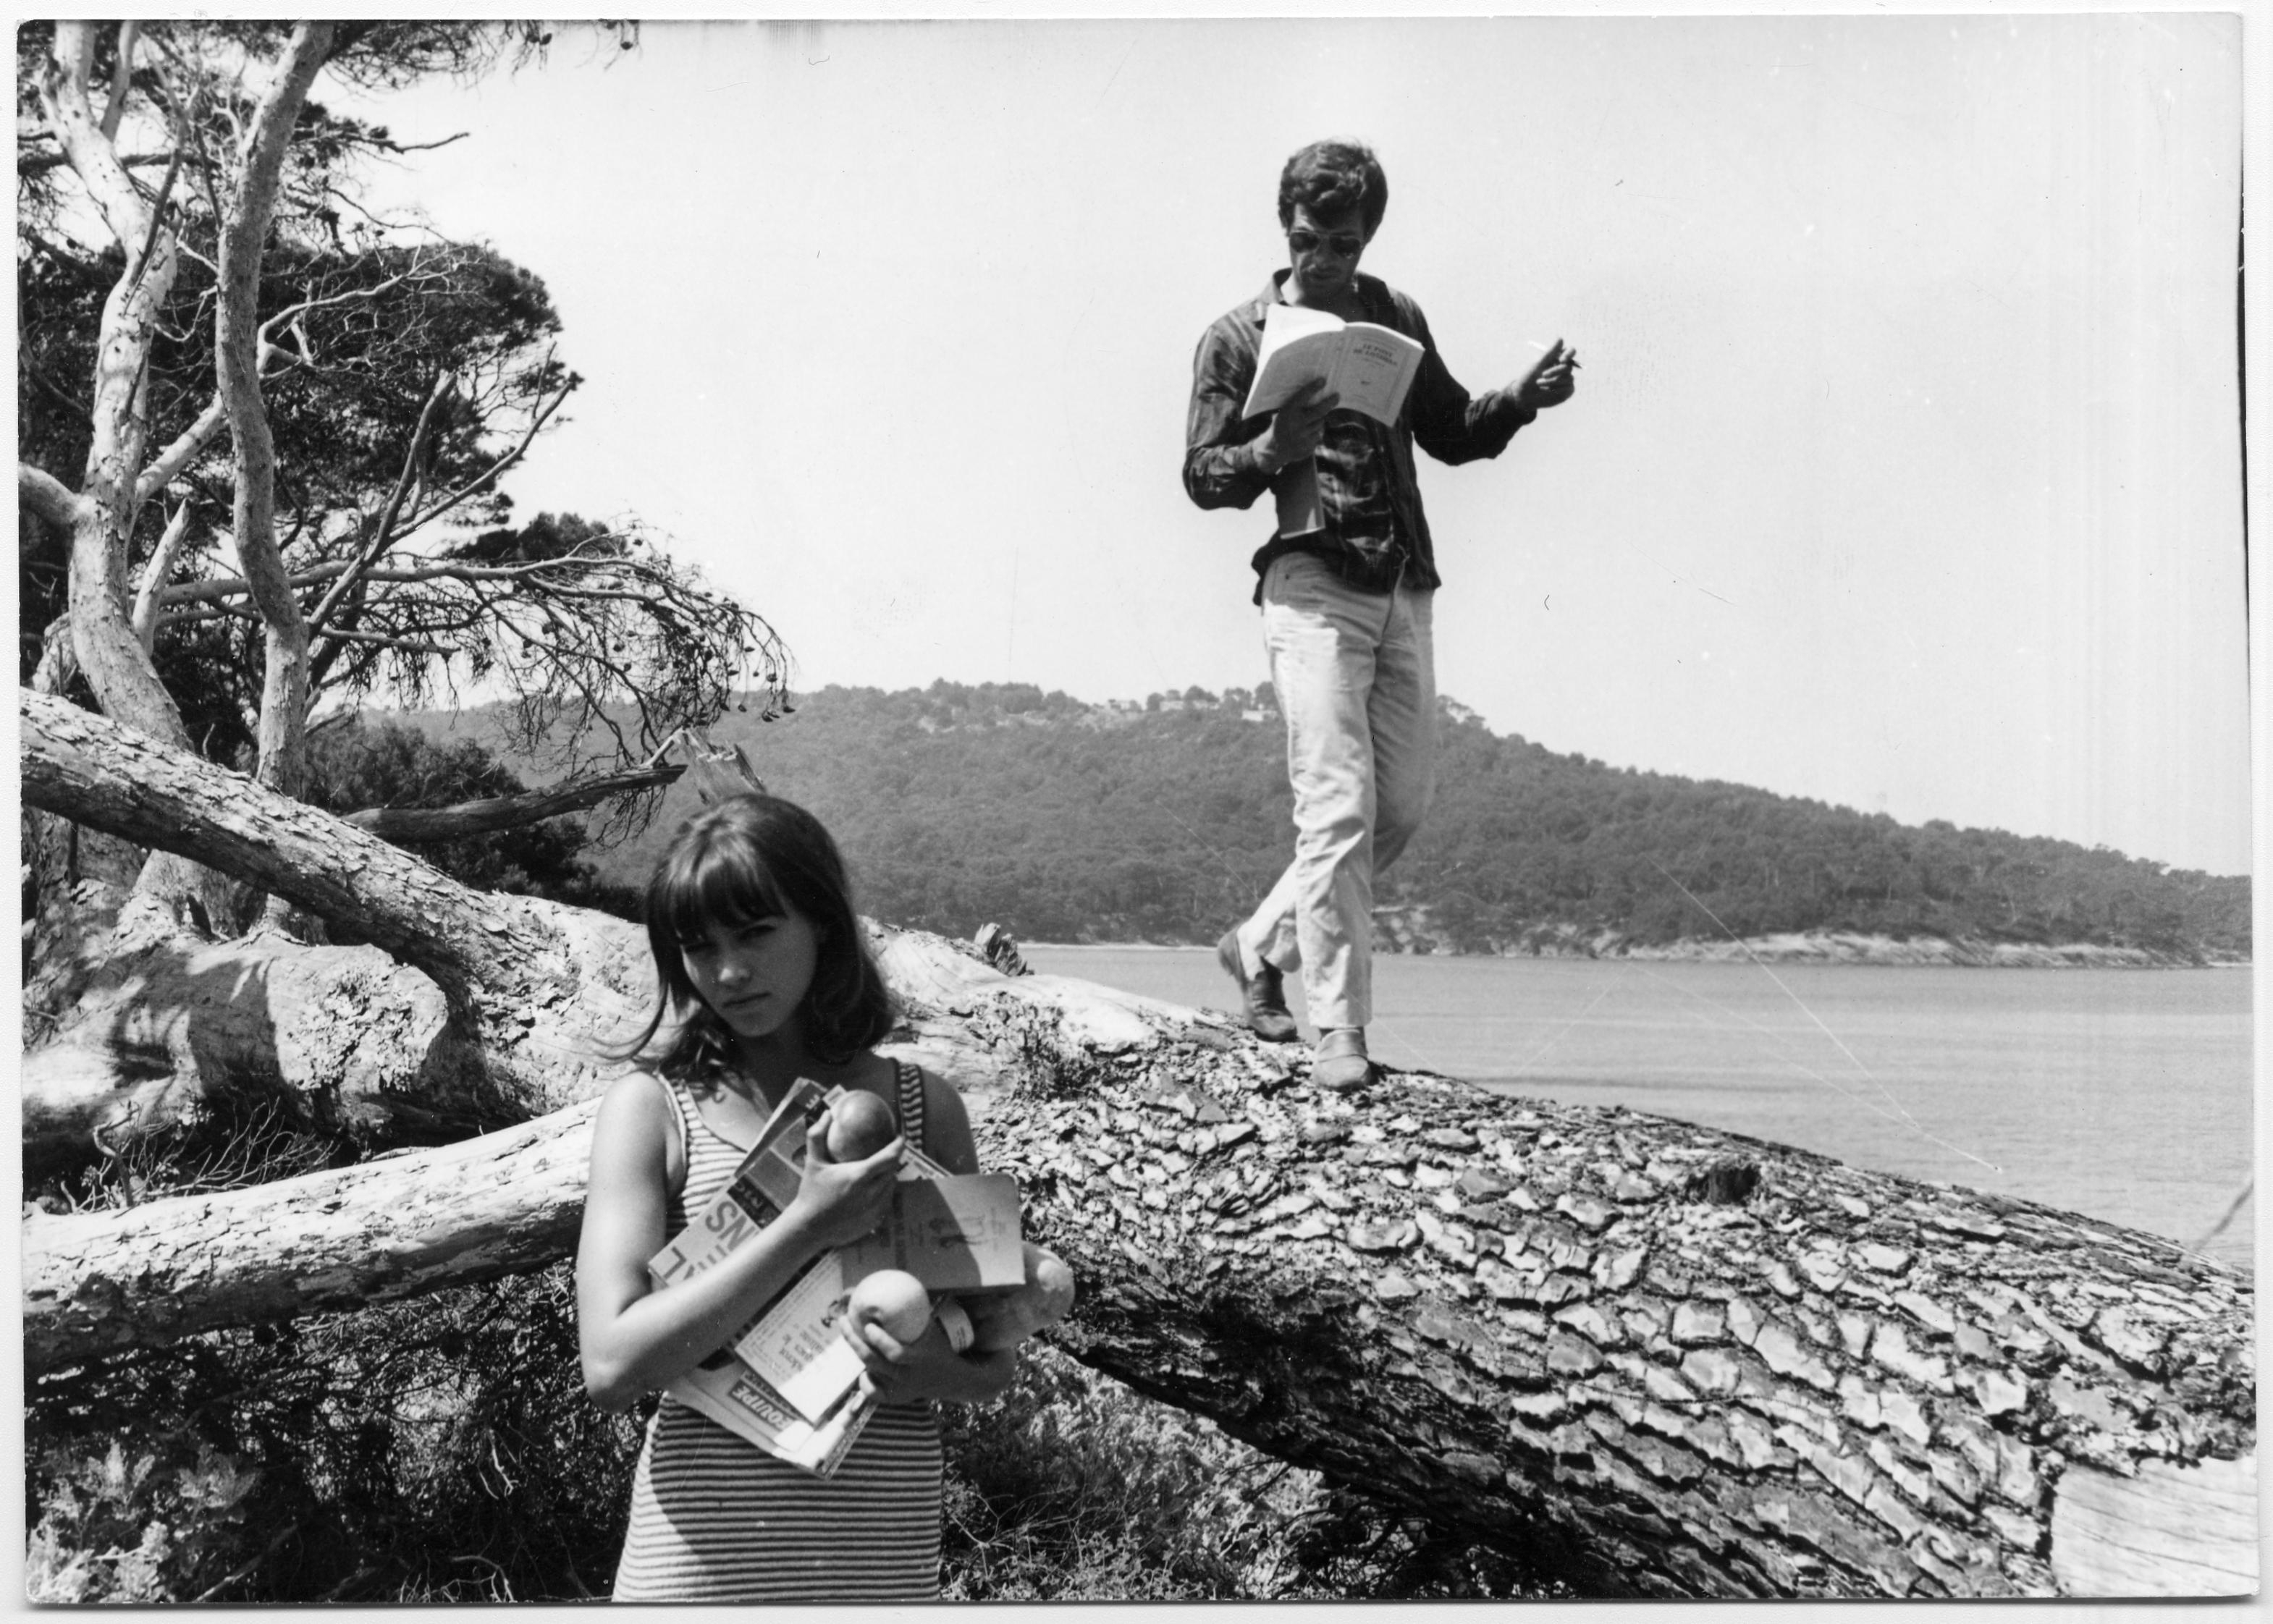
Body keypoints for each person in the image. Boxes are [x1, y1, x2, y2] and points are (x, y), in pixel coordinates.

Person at [1184, 138, 1578, 1089]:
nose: (1327, 257)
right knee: (1338, 809)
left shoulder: (1393, 317)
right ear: (1287, 224)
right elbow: (1201, 476)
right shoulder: (1237, 337)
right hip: (1312, 588)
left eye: (1347, 243)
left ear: (1369, 238)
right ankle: (1338, 1033)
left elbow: (1449, 432)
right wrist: (1273, 448)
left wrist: (1521, 401)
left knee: (1395, 809)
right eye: (1314, 237)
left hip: (1403, 585)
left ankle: (1256, 947)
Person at [576, 793, 1014, 1602]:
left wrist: (931, 1373)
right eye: (699, 947)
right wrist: (806, 1225)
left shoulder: (925, 1110)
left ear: (821, 922)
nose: (729, 973)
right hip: (698, 1568)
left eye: (755, 933)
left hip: (877, 1565)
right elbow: (608, 1366)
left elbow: (991, 1364)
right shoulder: (652, 1112)